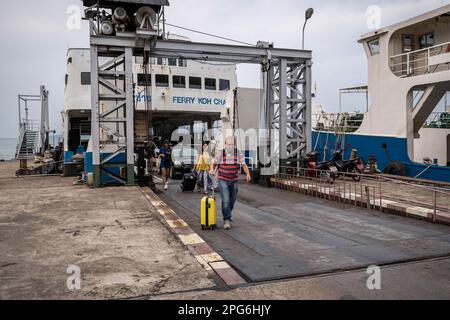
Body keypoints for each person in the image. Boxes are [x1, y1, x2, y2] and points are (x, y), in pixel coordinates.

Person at [210, 136, 251, 230]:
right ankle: (227, 220)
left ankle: (228, 212)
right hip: (223, 179)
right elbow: (214, 163)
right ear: (225, 144)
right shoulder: (221, 153)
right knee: (226, 200)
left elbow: (244, 164)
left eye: (232, 145)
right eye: (228, 144)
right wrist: (211, 170)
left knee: (232, 199)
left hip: (234, 179)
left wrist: (248, 174)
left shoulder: (238, 153)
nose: (230, 146)